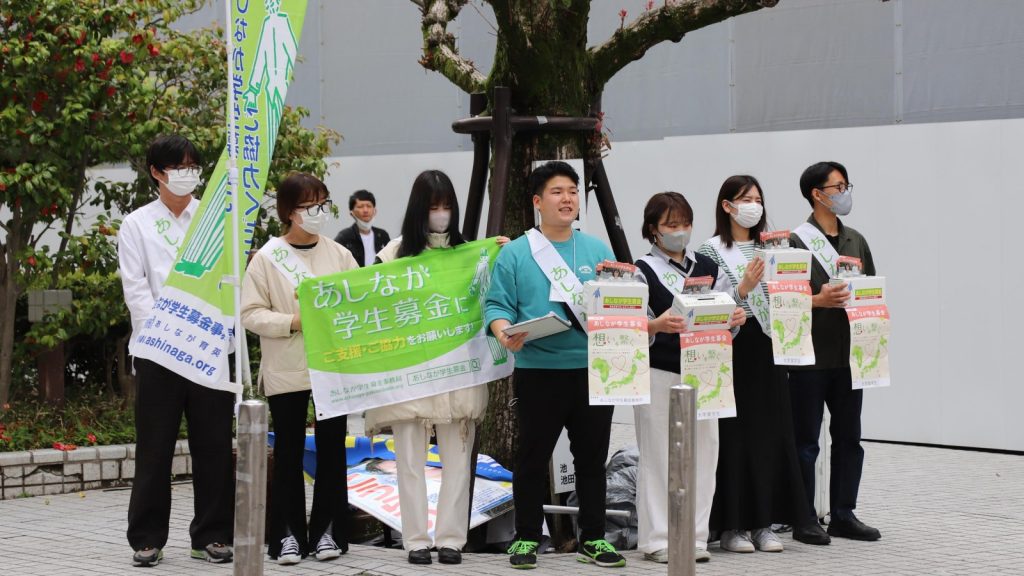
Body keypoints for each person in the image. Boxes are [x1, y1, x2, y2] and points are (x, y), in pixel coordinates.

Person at [485, 161, 627, 570]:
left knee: (591, 459)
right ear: (537, 201)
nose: (567, 199)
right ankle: (526, 538)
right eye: (557, 192)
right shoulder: (516, 252)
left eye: (572, 191)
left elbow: (616, 301)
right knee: (532, 458)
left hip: (591, 371)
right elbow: (497, 304)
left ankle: (594, 539)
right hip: (537, 372)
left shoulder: (598, 249)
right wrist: (502, 330)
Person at [364, 170, 492, 566]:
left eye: (447, 206)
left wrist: (497, 252)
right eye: (434, 207)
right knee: (409, 461)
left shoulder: (470, 253)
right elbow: (373, 307)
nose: (441, 215)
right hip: (411, 374)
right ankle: (415, 539)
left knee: (457, 457)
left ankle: (452, 538)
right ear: (420, 209)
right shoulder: (394, 255)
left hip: (457, 372)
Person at [696, 175, 829, 553]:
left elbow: (793, 297)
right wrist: (742, 290)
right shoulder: (710, 252)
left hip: (771, 349)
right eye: (745, 199)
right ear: (727, 206)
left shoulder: (773, 248)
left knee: (772, 435)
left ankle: (765, 523)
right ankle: (732, 526)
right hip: (734, 350)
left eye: (758, 199)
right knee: (735, 437)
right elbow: (705, 304)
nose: (753, 206)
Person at [119, 135, 234, 567]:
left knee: (214, 445)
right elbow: (137, 290)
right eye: (177, 167)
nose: (187, 174)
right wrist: (166, 337)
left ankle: (213, 534)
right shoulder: (137, 224)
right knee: (155, 446)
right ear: (156, 172)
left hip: (209, 346)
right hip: (158, 351)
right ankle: (147, 537)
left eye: (193, 166)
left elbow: (229, 281)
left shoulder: (217, 218)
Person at [241, 173, 358, 565]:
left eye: (324, 204)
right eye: (311, 206)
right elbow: (250, 314)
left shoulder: (339, 254)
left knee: (331, 450)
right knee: (289, 451)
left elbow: (360, 298)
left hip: (332, 367)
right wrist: (292, 322)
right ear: (290, 212)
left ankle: (328, 532)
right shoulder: (266, 258)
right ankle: (288, 535)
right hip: (286, 367)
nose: (319, 212)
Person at [632, 192, 746, 564]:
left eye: (684, 224)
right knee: (658, 453)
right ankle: (657, 539)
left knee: (704, 453)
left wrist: (735, 320)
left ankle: (695, 536)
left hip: (707, 368)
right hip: (660, 370)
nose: (680, 232)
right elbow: (631, 326)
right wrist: (656, 324)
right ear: (653, 229)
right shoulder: (641, 269)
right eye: (670, 225)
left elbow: (727, 310)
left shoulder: (707, 266)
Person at [787, 161, 881, 542]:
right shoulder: (793, 243)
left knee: (849, 439)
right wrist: (818, 299)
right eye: (838, 186)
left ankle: (843, 512)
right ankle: (803, 516)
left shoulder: (856, 240)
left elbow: (872, 288)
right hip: (809, 356)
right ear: (817, 194)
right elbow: (782, 301)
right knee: (806, 441)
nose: (845, 193)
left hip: (849, 357)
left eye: (846, 185)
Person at [334, 189, 390, 267]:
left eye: (369, 206)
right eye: (360, 207)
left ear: (375, 210)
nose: (365, 210)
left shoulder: (382, 235)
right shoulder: (344, 237)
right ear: (351, 213)